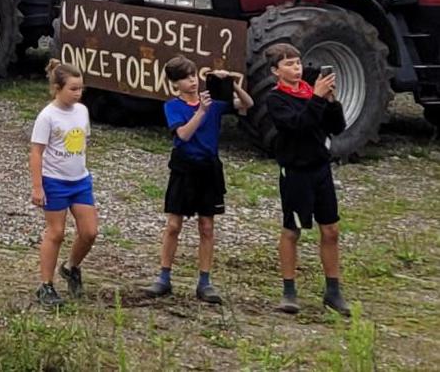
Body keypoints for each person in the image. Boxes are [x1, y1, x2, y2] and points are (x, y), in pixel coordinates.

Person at [148, 58, 253, 303]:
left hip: (209, 169)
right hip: (184, 168)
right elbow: (183, 134)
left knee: (207, 226)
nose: (193, 81)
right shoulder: (173, 106)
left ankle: (204, 281)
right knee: (174, 224)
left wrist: (232, 84)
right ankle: (164, 277)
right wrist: (201, 112)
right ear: (175, 83)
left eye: (194, 75)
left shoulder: (213, 102)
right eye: (186, 77)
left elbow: (248, 104)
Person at [262, 42, 349, 316]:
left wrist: (331, 102)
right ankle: (289, 291)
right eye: (288, 64)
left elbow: (337, 127)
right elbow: (297, 125)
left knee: (331, 230)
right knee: (293, 230)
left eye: (298, 63)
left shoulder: (313, 93)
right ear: (276, 71)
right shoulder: (276, 98)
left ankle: (333, 291)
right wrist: (318, 100)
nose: (296, 69)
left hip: (320, 168)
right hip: (296, 171)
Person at [30, 61, 97, 308]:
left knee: (89, 231)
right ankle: (45, 285)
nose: (78, 94)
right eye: (73, 89)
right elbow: (36, 152)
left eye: (80, 89)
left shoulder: (82, 111)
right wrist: (38, 187)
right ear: (57, 88)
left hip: (80, 180)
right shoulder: (47, 116)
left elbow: (83, 141)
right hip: (55, 181)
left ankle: (71, 267)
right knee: (55, 233)